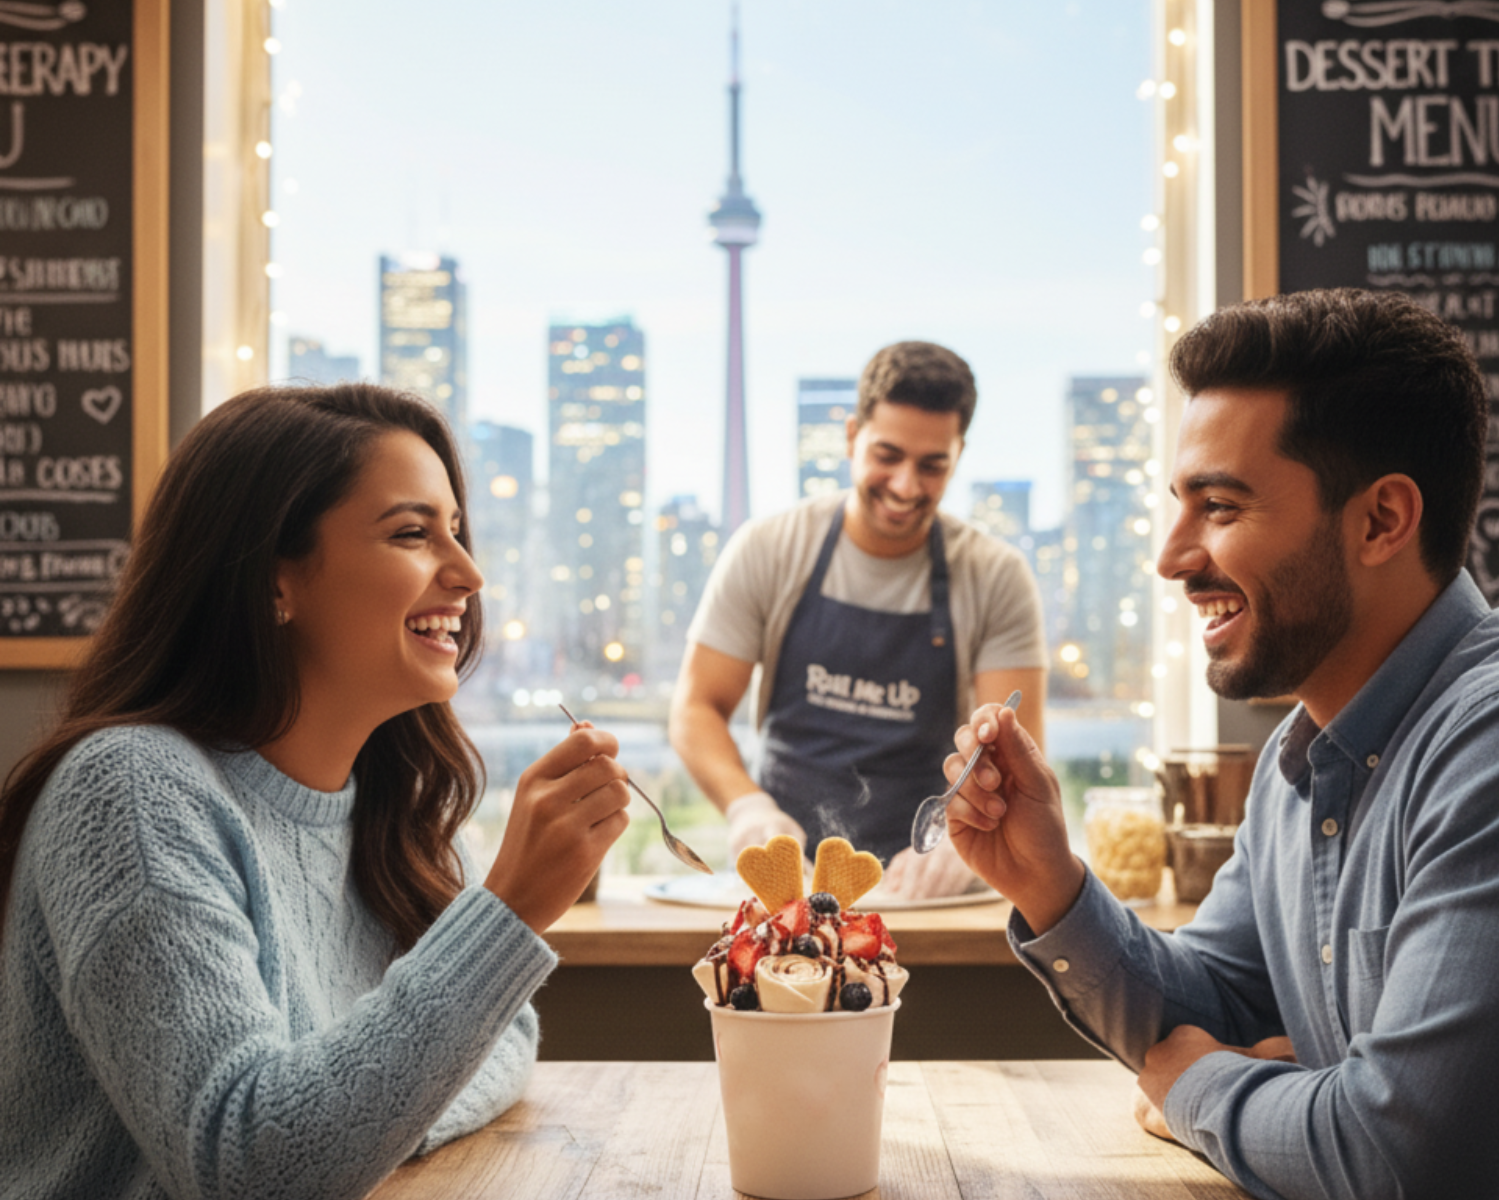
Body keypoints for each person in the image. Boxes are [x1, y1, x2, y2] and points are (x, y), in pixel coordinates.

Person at [941, 289, 1499, 1199]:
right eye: (1179, 505)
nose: (1171, 557)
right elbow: (1213, 1001)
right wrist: (1048, 883)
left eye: (1218, 506)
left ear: (1381, 521)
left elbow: (1408, 1163)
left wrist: (1192, 1085)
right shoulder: (1299, 757)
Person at [0, 384, 632, 1199]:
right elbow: (252, 1167)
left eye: (457, 532)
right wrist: (506, 911)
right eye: (412, 533)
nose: (468, 573)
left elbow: (505, 1041)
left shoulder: (405, 810)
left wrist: (360, 1128)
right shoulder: (132, 794)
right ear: (274, 581)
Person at [669, 340, 1048, 898]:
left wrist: (964, 844)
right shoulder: (770, 548)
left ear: (959, 454)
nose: (905, 485)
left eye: (932, 465)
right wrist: (748, 809)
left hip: (922, 888)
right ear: (852, 437)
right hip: (786, 883)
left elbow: (1015, 757)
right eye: (887, 455)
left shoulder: (996, 576)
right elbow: (695, 708)